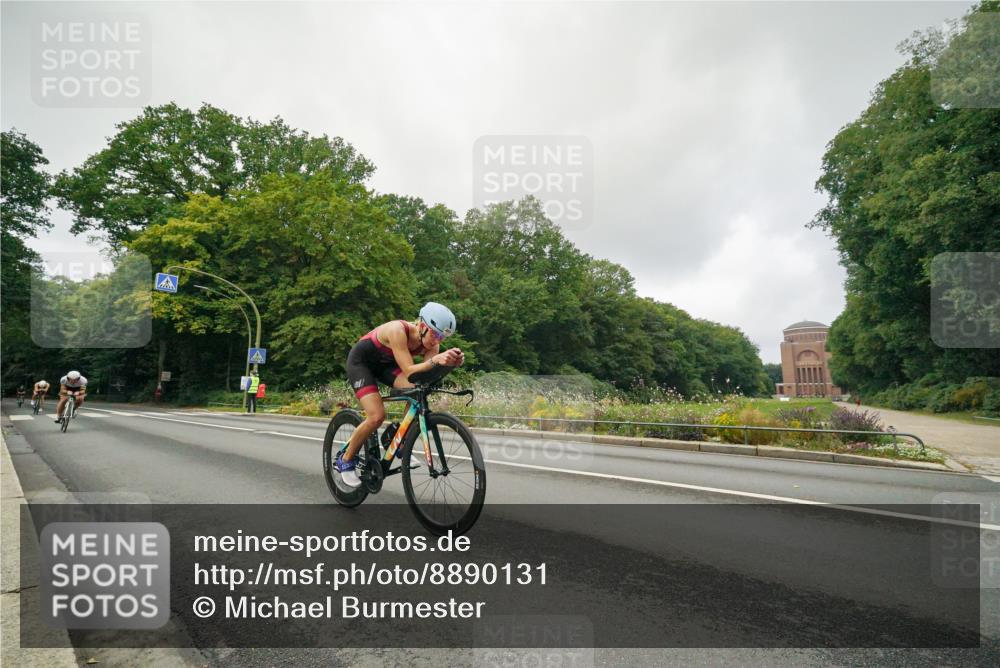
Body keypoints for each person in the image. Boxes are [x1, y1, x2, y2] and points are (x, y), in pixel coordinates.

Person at [335, 302, 464, 487]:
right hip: (361, 364)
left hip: (386, 366)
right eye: (435, 334)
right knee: (377, 416)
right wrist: (436, 360)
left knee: (419, 390)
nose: (437, 341)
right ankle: (345, 460)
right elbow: (410, 370)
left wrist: (450, 364)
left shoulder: (432, 346)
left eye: (442, 337)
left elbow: (423, 377)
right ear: (421, 325)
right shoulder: (398, 330)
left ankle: (396, 438)